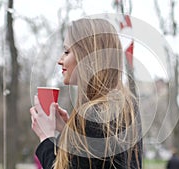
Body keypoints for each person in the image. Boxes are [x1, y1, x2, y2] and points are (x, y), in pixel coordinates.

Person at [30, 18, 143, 169]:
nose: (60, 60)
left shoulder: (92, 116)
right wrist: (69, 131)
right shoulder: (127, 106)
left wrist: (46, 138)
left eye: (66, 51)